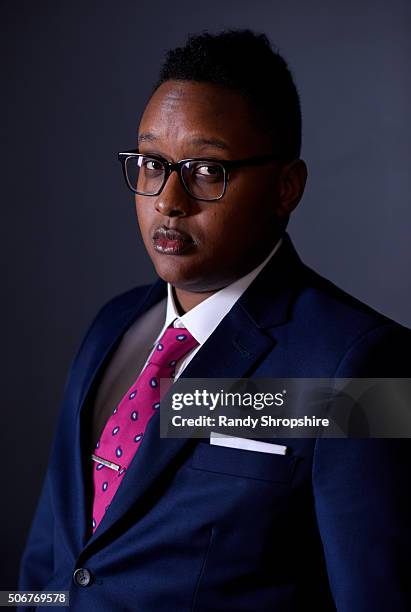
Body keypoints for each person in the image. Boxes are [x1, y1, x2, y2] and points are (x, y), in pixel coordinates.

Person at [18, 29, 411, 611]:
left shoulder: (358, 366)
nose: (168, 200)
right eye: (152, 163)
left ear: (286, 187)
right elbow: (51, 565)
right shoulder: (112, 327)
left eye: (206, 170)